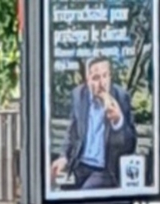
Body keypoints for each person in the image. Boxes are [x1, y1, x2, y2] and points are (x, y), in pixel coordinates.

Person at [52, 56, 138, 192]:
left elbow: (130, 144)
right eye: (96, 78)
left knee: (83, 196)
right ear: (88, 80)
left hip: (105, 170)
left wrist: (118, 121)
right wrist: (63, 157)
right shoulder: (79, 95)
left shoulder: (121, 97)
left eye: (105, 76)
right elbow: (72, 131)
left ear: (110, 77)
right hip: (80, 165)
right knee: (62, 196)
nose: (102, 83)